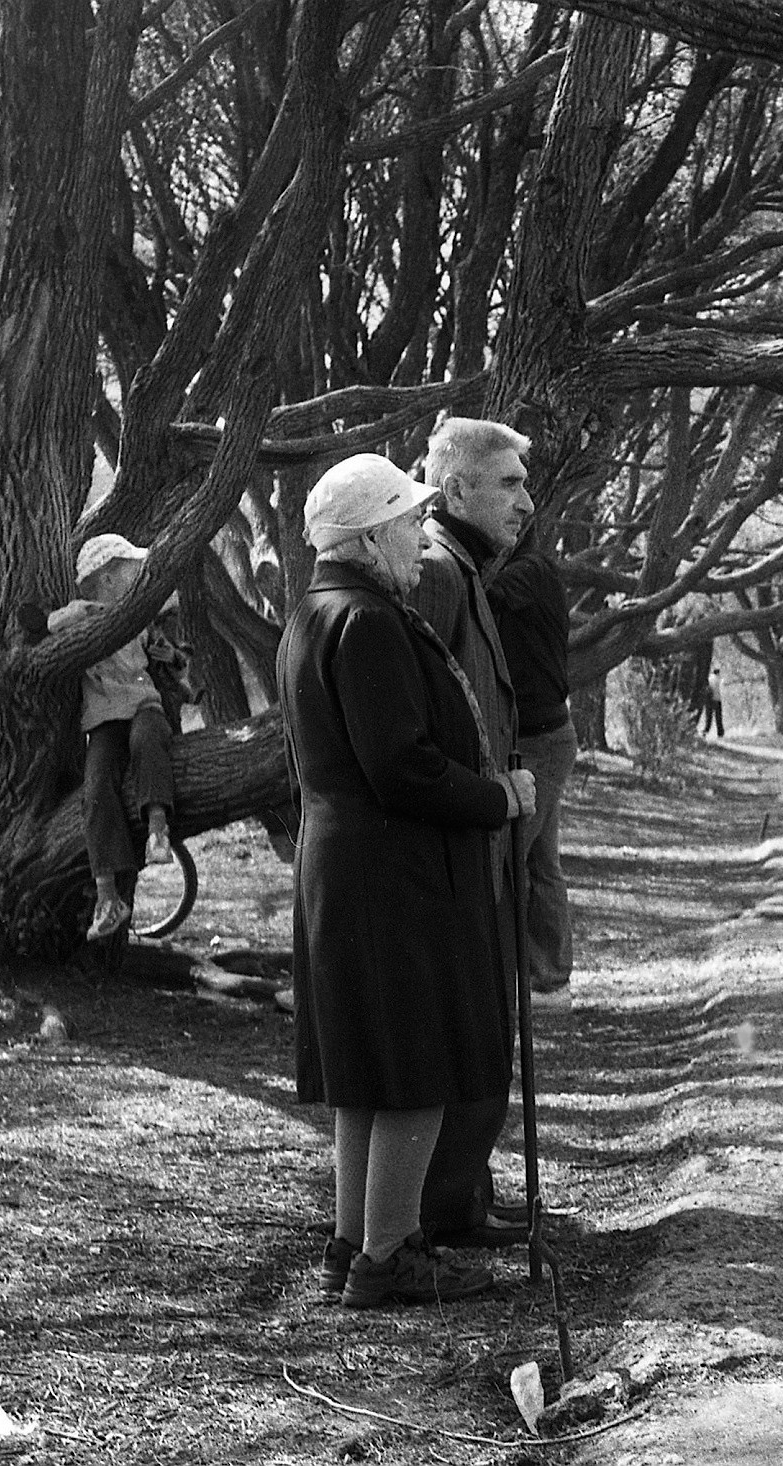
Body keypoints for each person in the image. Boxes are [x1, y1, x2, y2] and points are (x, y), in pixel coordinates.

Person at [279, 452, 537, 1308]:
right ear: (366, 536)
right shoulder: (368, 620)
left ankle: (356, 1241)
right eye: (402, 526)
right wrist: (495, 796)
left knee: (369, 1074)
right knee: (413, 1073)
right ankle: (390, 1257)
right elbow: (404, 769)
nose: (414, 542)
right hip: (391, 876)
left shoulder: (317, 613)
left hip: (349, 870)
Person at [411, 416, 534, 1247]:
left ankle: (467, 1196)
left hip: (484, 838)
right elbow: (412, 717)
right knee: (467, 1029)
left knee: (490, 1025)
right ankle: (447, 1210)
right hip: (454, 845)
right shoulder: (434, 572)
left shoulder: (465, 566)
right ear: (456, 490)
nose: (527, 501)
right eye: (510, 485)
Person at [48, 534, 176, 941]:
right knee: (97, 786)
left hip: (142, 707)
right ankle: (108, 896)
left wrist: (168, 655)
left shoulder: (138, 619)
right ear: (105, 578)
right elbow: (53, 623)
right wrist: (87, 611)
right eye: (129, 570)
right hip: (104, 720)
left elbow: (169, 649)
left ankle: (158, 827)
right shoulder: (85, 617)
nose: (138, 576)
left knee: (147, 742)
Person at [488, 544, 576, 1002]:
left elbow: (488, 596)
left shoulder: (523, 578)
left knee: (511, 858)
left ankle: (534, 979)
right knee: (541, 859)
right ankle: (548, 978)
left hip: (539, 741)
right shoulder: (537, 570)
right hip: (546, 735)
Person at [700, 665, 725, 738]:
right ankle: (720, 733)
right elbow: (722, 688)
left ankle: (705, 731)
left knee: (708, 718)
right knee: (718, 718)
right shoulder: (719, 679)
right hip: (717, 700)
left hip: (708, 700)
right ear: (718, 672)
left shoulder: (709, 678)